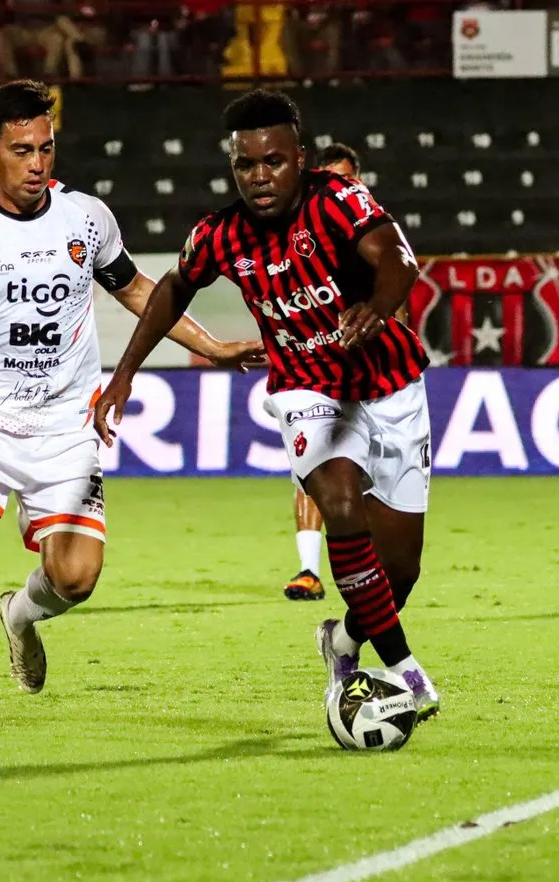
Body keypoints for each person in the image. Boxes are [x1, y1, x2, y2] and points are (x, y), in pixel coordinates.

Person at [0, 80, 263, 736]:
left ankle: (19, 613)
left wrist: (211, 347)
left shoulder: (86, 218)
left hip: (67, 427)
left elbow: (136, 288)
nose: (38, 163)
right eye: (21, 150)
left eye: (46, 147)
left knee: (76, 578)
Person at [94, 90, 440, 720]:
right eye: (246, 164)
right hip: (307, 388)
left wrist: (379, 305)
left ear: (300, 158)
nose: (259, 176)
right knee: (336, 499)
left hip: (393, 389)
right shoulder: (220, 234)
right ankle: (407, 672)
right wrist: (124, 373)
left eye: (273, 162)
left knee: (401, 571)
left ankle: (343, 639)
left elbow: (396, 259)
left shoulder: (338, 202)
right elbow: (172, 289)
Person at [283, 141, 363, 602]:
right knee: (313, 467)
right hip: (314, 372)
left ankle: (367, 574)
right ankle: (309, 571)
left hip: (372, 377)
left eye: (344, 180)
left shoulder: (376, 236)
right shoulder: (299, 239)